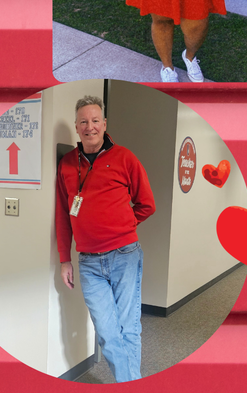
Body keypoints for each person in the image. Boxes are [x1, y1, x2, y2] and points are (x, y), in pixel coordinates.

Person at [55, 95, 156, 382]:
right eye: (84, 122)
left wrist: (121, 225)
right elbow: (63, 216)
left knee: (128, 327)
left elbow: (147, 204)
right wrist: (65, 259)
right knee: (108, 333)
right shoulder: (65, 165)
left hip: (125, 255)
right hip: (88, 262)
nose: (90, 127)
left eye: (95, 121)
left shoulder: (124, 158)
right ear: (76, 127)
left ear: (104, 124)